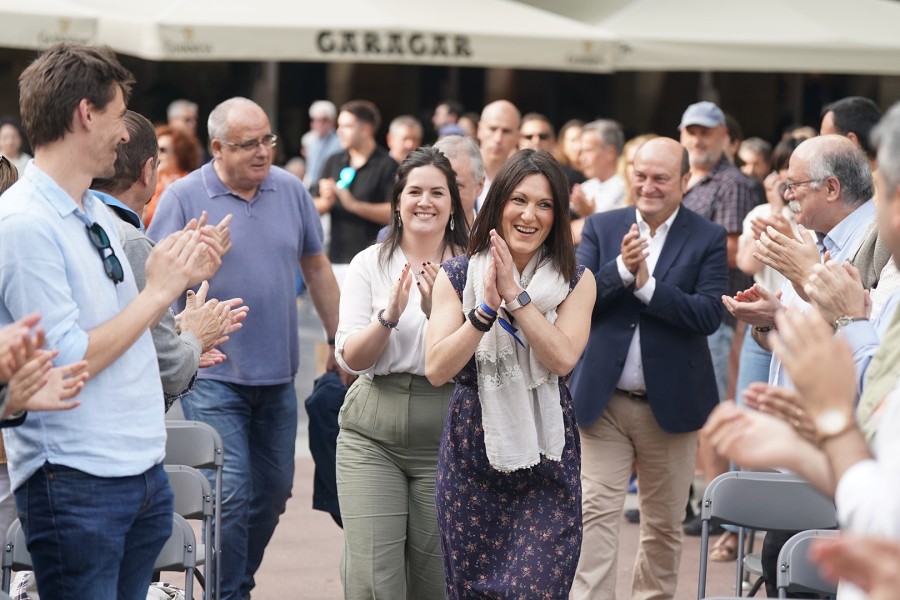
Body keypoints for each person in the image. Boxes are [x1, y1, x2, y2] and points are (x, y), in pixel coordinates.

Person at [0, 43, 224, 599]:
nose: (127, 134)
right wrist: (162, 289)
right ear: (85, 113)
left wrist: (177, 262)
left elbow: (124, 324)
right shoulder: (26, 224)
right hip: (76, 481)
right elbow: (70, 357)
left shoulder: (94, 212)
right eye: (119, 114)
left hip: (136, 473)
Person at [147, 96, 341, 600]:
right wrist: (193, 268)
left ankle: (235, 582)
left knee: (274, 491)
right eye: (248, 144)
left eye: (268, 140)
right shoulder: (185, 197)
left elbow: (316, 266)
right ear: (217, 147)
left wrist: (339, 338)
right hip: (212, 374)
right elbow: (149, 282)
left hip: (278, 376)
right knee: (230, 494)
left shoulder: (292, 190)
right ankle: (227, 594)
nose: (262, 152)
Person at [425, 149, 596, 597]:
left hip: (547, 460)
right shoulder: (457, 274)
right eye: (519, 200)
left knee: (536, 589)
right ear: (499, 203)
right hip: (472, 457)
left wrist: (516, 298)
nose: (530, 215)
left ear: (557, 217)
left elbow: (562, 359)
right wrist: (484, 311)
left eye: (544, 205)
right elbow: (437, 369)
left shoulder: (576, 281)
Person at [569, 137, 727, 599]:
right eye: (640, 175)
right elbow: (577, 301)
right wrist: (620, 271)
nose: (649, 186)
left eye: (661, 178)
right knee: (594, 513)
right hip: (604, 403)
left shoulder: (707, 236)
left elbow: (708, 315)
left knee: (662, 525)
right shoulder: (600, 227)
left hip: (673, 406)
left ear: (684, 180)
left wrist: (649, 287)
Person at [335, 146, 468, 598]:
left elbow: (481, 359)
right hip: (373, 431)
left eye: (437, 192)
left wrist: (440, 313)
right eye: (414, 191)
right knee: (374, 577)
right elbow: (351, 358)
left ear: (453, 203)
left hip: (449, 433)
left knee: (434, 582)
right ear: (397, 202)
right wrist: (388, 317)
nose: (424, 201)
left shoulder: (476, 266)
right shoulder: (369, 263)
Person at [91, 110, 247, 404]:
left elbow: (114, 329)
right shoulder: (131, 240)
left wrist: (174, 326)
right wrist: (195, 336)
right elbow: (172, 369)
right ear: (148, 170)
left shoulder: (75, 219)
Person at [678, 101, 760, 537]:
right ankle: (696, 506)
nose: (697, 140)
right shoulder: (687, 181)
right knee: (690, 410)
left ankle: (722, 515)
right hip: (683, 308)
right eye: (690, 132)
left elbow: (731, 250)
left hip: (717, 311)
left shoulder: (733, 183)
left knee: (713, 412)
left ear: (725, 136)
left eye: (706, 132)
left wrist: (675, 250)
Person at [312, 99, 397, 280]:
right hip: (336, 259)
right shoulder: (333, 161)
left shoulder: (387, 165)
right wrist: (325, 202)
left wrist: (354, 205)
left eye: (347, 126)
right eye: (339, 125)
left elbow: (396, 212)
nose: (339, 131)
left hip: (374, 263)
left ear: (365, 129)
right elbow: (309, 206)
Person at [142, 124, 202, 227]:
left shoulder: (190, 185)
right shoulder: (147, 181)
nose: (157, 154)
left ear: (180, 154)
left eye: (163, 150)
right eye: (155, 149)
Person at [475, 100, 521, 211]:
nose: (498, 139)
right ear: (480, 129)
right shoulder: (460, 172)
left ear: (517, 135)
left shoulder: (522, 179)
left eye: (506, 131)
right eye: (493, 129)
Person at [302, 100, 342, 189]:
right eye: (316, 120)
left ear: (332, 121)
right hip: (310, 185)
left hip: (329, 187)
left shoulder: (340, 141)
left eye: (324, 120)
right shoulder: (308, 139)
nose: (319, 124)